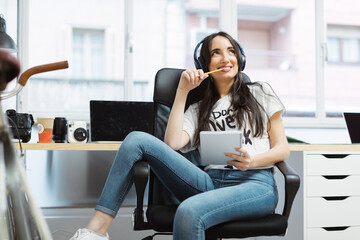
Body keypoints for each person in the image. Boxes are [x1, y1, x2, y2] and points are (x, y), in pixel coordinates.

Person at [70, 31, 289, 240]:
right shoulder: (198, 109)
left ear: (240, 59)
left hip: (254, 184)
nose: (226, 58)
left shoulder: (259, 92)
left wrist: (252, 161)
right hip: (210, 183)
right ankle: (96, 231)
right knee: (136, 139)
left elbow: (282, 149)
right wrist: (182, 91)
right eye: (216, 53)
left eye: (231, 51)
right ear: (204, 65)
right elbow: (172, 143)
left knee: (188, 211)